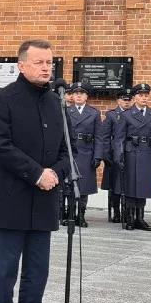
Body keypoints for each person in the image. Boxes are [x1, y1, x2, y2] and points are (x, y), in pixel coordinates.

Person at [0, 39, 67, 303]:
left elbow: (66, 149)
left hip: (45, 200)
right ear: (21, 65)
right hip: (12, 198)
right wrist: (37, 173)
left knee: (38, 271)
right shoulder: (2, 99)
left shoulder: (55, 102)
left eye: (50, 62)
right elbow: (0, 146)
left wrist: (55, 173)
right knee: (5, 270)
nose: (47, 68)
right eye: (39, 62)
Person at [113, 83, 151, 231]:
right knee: (130, 187)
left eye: (146, 95)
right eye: (140, 95)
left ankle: (140, 218)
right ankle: (129, 217)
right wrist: (119, 156)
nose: (143, 98)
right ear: (134, 97)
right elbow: (119, 139)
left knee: (143, 188)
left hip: (148, 154)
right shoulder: (126, 115)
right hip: (131, 154)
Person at [65, 82, 99, 227]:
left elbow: (99, 137)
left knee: (83, 187)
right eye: (76, 93)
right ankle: (70, 214)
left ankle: (81, 215)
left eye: (82, 93)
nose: (78, 96)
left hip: (86, 152)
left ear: (86, 96)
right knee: (69, 186)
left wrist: (97, 156)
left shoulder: (94, 113)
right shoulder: (66, 111)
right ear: (72, 96)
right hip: (71, 152)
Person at [98, 89, 131, 223]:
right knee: (115, 186)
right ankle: (116, 211)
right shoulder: (112, 115)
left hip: (129, 155)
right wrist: (106, 156)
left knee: (128, 184)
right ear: (118, 100)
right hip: (114, 157)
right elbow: (105, 137)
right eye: (124, 100)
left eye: (129, 100)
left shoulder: (134, 114)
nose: (126, 102)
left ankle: (127, 211)